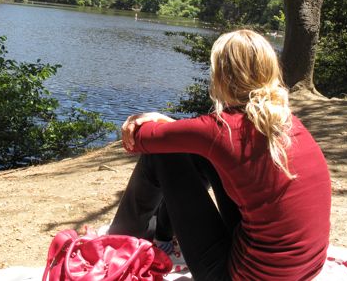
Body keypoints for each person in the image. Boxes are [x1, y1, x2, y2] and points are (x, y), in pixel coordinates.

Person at [108, 29, 331, 280]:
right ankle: (163, 237)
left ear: (222, 76)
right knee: (194, 151)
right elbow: (206, 138)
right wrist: (170, 125)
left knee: (162, 154)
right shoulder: (285, 123)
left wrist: (150, 123)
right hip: (305, 270)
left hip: (237, 276)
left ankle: (114, 245)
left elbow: (139, 140)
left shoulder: (221, 130)